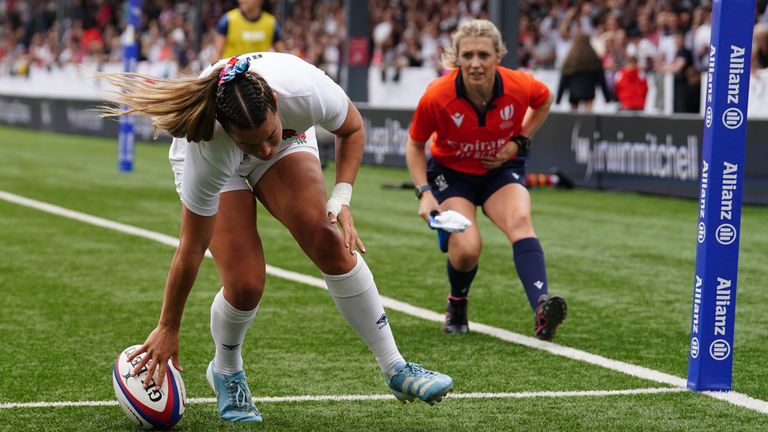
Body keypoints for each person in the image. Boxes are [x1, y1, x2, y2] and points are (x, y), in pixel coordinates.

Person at [99, 52, 453, 423]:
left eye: (268, 136)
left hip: (291, 137)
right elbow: (191, 247)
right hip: (226, 159)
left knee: (328, 238)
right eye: (254, 145)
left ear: (278, 104)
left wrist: (342, 197)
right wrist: (168, 325)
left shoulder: (303, 91)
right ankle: (227, 370)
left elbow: (352, 128)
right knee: (245, 283)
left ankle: (396, 368)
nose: (264, 150)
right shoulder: (209, 146)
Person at [404, 19, 567, 339]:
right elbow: (414, 144)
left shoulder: (520, 85)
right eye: (467, 56)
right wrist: (424, 191)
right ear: (457, 58)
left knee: (520, 220)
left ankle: (542, 307)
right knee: (467, 249)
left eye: (483, 55)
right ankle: (457, 303)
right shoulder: (438, 95)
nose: (475, 63)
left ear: (498, 56)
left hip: (499, 171)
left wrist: (519, 141)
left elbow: (544, 100)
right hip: (451, 175)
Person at [556, 33, 613, 112]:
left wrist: (558, 99)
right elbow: (601, 79)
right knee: (588, 116)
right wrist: (607, 98)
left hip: (573, 93)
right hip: (589, 92)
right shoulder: (594, 58)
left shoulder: (570, 59)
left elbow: (563, 79)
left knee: (573, 115)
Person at [214, 0, 285, 60]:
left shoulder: (271, 23)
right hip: (233, 74)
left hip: (258, 74)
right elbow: (217, 54)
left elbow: (282, 54)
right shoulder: (228, 20)